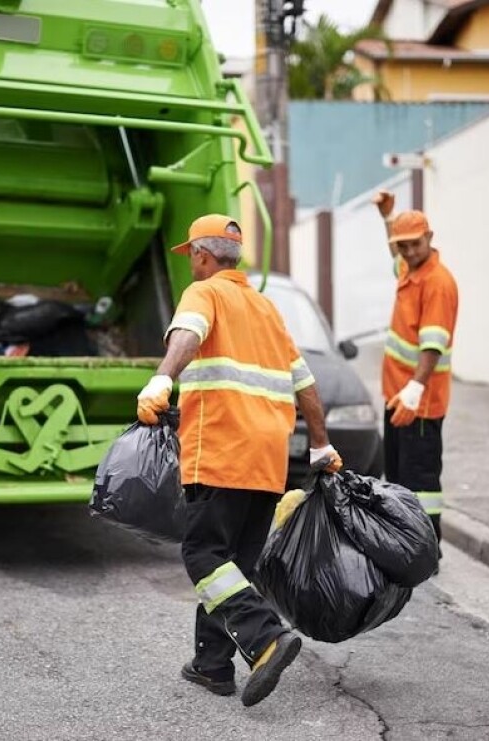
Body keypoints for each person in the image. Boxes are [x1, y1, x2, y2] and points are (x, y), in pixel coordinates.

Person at [136, 214, 342, 707]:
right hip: (268, 461)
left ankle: (265, 635)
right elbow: (306, 385)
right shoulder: (268, 310)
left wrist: (162, 379)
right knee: (232, 567)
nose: (191, 265)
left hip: (221, 450)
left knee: (203, 555)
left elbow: (186, 335)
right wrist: (320, 445)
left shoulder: (205, 293)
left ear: (204, 257)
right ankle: (212, 666)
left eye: (192, 257)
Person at [372, 191, 459, 552]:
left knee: (421, 481)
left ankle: (426, 550)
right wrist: (388, 217)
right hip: (398, 397)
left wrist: (415, 389)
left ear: (430, 239)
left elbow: (433, 345)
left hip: (419, 403)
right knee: (398, 476)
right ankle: (403, 542)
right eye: (403, 246)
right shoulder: (410, 269)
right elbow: (396, 253)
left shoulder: (437, 283)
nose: (407, 251)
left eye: (414, 244)